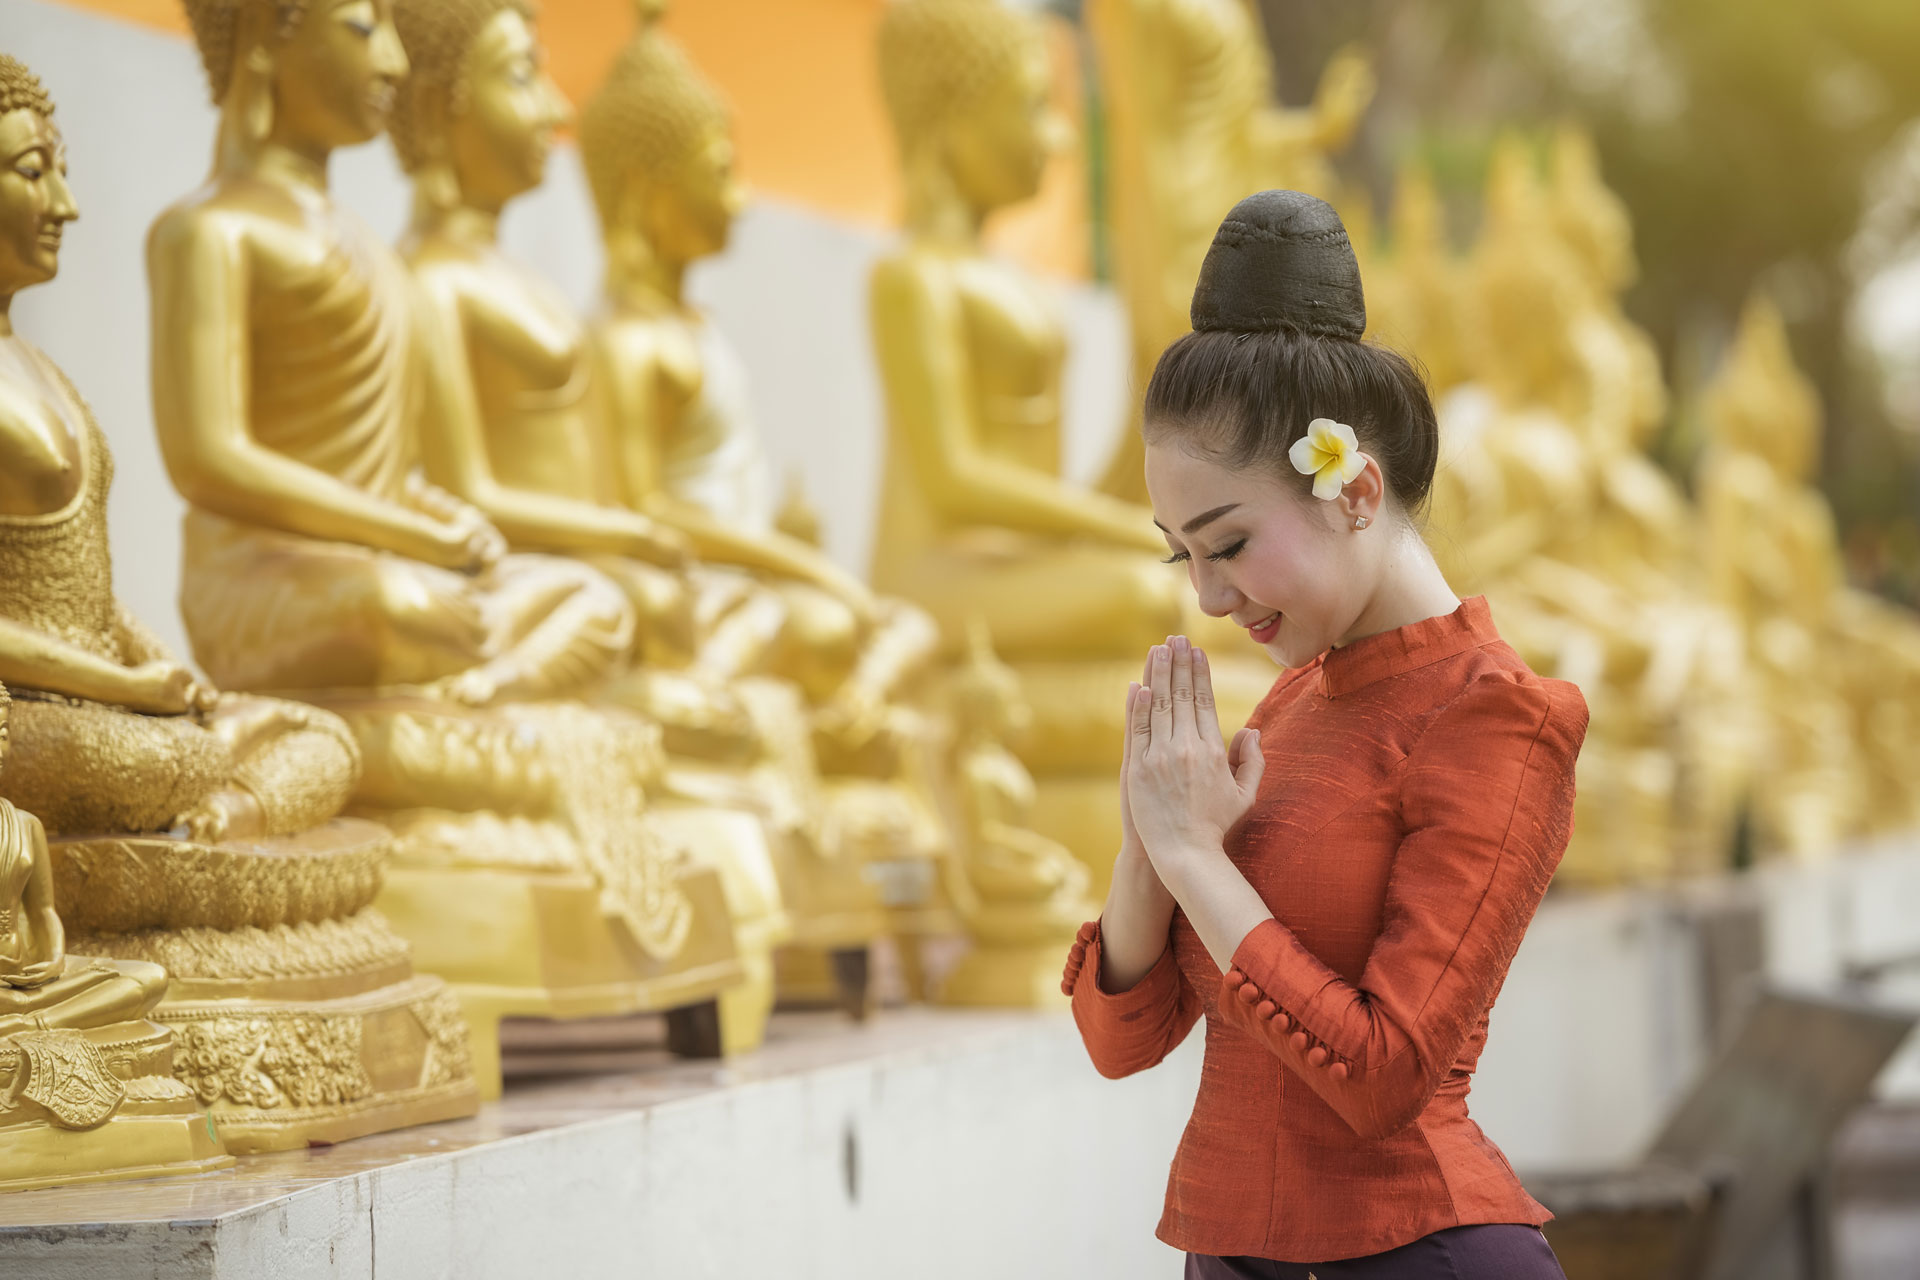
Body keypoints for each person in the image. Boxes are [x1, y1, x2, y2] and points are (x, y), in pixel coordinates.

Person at [1063, 190, 1587, 1278]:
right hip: (1229, 1253)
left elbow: (1383, 1074)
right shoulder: (1294, 704)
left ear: (1354, 491)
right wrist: (1150, 840)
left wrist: (1198, 856)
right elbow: (1121, 1041)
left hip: (1418, 1251)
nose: (1208, 597)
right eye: (1181, 556)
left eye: (1230, 542)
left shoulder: (1498, 720)